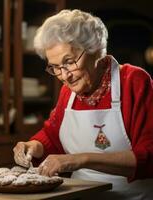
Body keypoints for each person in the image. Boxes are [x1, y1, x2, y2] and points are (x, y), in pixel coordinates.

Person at [13, 9, 153, 200]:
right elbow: (53, 136)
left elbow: (149, 155)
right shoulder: (68, 91)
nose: (64, 76)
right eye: (55, 67)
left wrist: (79, 159)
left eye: (69, 62)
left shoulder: (133, 81)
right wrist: (33, 146)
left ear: (94, 49)